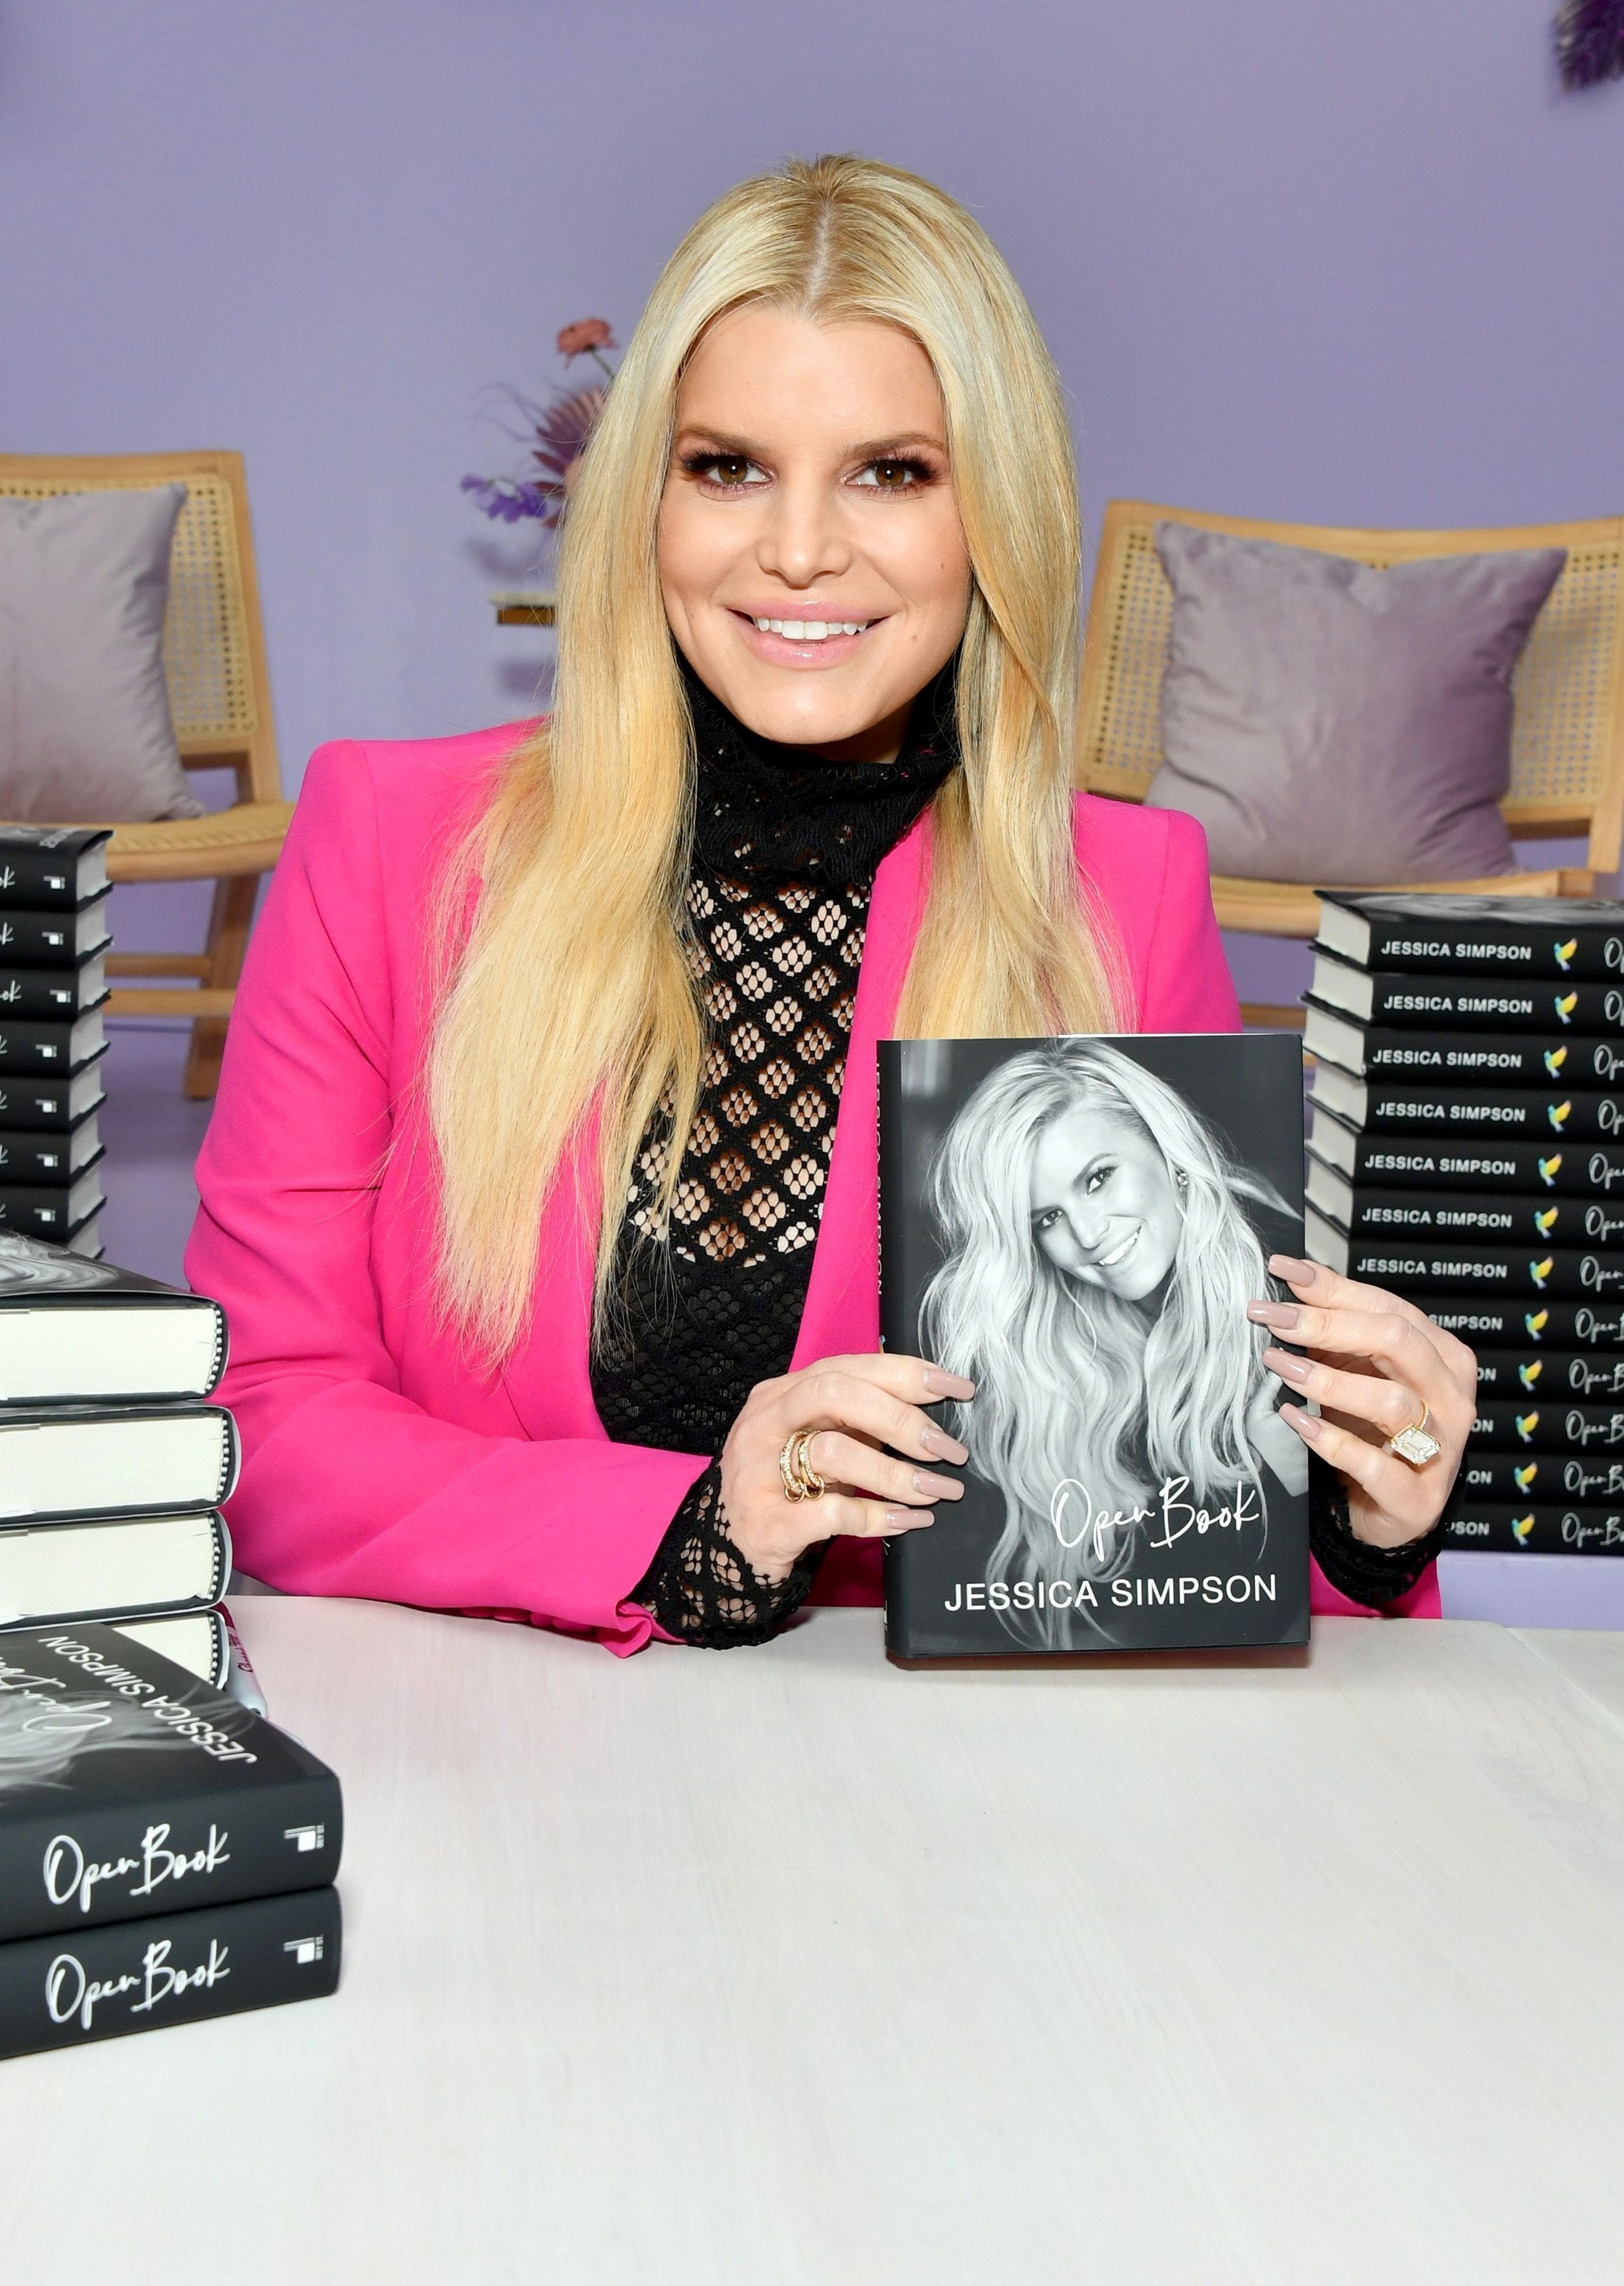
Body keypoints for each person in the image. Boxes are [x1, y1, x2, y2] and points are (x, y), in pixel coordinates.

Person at [185, 154, 1475, 1655]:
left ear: (993, 513)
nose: (798, 549)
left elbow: (1156, 1531)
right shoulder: (390, 846)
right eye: (727, 466)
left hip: (925, 1815)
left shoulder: (1122, 898)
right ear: (642, 502)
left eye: (891, 471)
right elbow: (261, 1428)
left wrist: (1358, 1520)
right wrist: (685, 1530)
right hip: (494, 1765)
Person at [922, 1040, 1308, 1647]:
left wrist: (1293, 1479)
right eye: (1046, 1218)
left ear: (1163, 1145)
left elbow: (1252, 1619)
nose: (1088, 1234)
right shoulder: (1066, 1335)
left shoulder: (1287, 1290)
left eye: (1098, 1179)